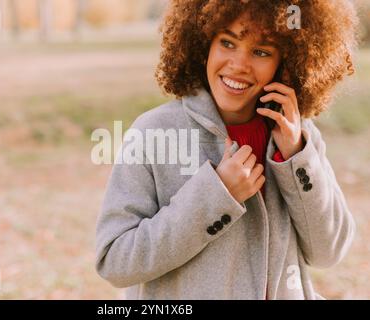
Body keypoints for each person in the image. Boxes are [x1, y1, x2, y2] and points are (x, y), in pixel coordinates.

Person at [95, 0, 359, 299]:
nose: (239, 64)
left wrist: (297, 155)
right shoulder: (153, 133)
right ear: (203, 43)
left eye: (262, 51)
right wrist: (217, 195)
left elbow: (329, 252)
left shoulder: (298, 136)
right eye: (227, 42)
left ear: (286, 62)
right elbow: (114, 260)